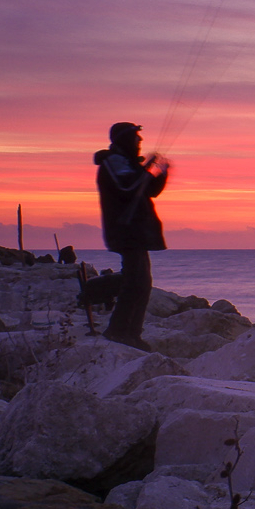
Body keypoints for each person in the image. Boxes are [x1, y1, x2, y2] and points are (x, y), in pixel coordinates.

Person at [88, 121, 170, 346]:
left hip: (136, 232)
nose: (140, 141)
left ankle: (131, 334)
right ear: (125, 139)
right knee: (135, 282)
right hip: (126, 231)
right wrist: (146, 170)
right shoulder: (114, 162)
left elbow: (149, 190)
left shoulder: (128, 163)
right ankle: (118, 332)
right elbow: (127, 188)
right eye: (136, 137)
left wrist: (160, 173)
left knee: (141, 282)